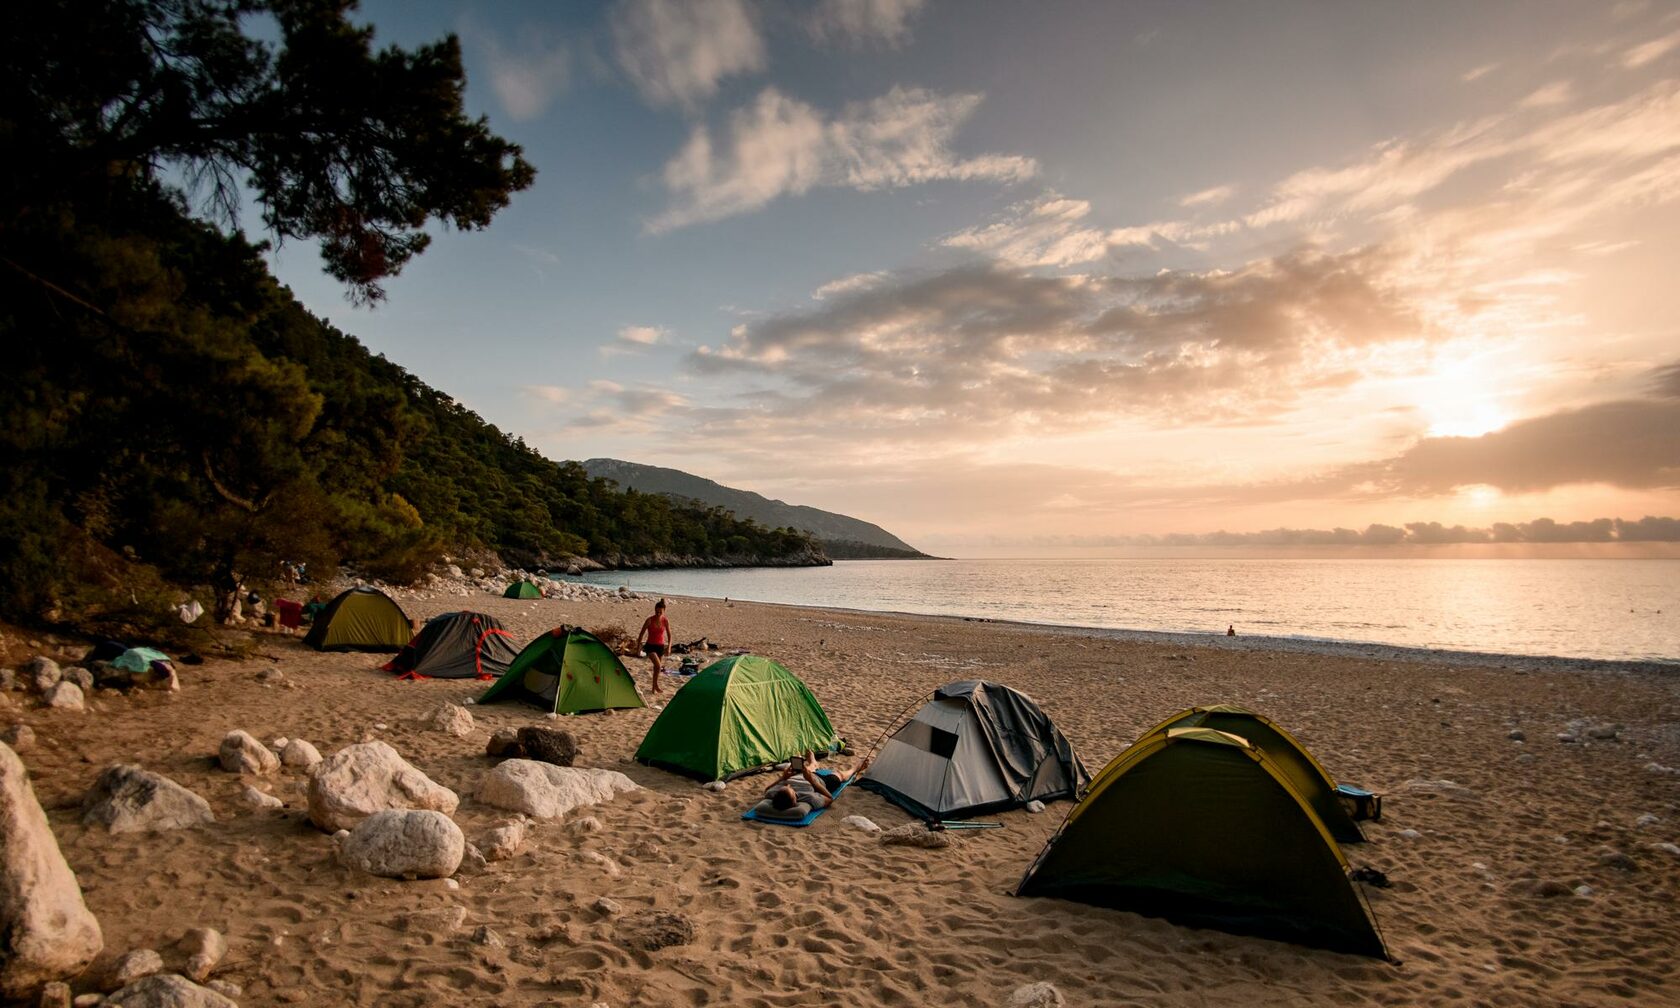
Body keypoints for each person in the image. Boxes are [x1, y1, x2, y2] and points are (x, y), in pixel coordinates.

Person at [763, 750, 872, 812]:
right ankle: (856, 767)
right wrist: (812, 781)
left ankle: (813, 763)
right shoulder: (809, 797)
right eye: (790, 789)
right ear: (795, 799)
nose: (789, 786)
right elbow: (829, 799)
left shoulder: (773, 793)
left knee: (805, 768)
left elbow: (766, 790)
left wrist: (783, 778)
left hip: (800, 776)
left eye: (785, 786)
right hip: (818, 782)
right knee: (839, 776)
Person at [634, 598, 672, 693]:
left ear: (664, 611)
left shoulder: (665, 621)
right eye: (657, 611)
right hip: (650, 646)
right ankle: (656, 685)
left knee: (656, 668)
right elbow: (641, 634)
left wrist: (669, 647)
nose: (658, 613)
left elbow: (670, 635)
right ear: (654, 609)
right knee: (658, 666)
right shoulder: (649, 620)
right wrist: (638, 648)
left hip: (660, 646)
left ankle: (653, 688)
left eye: (660, 611)